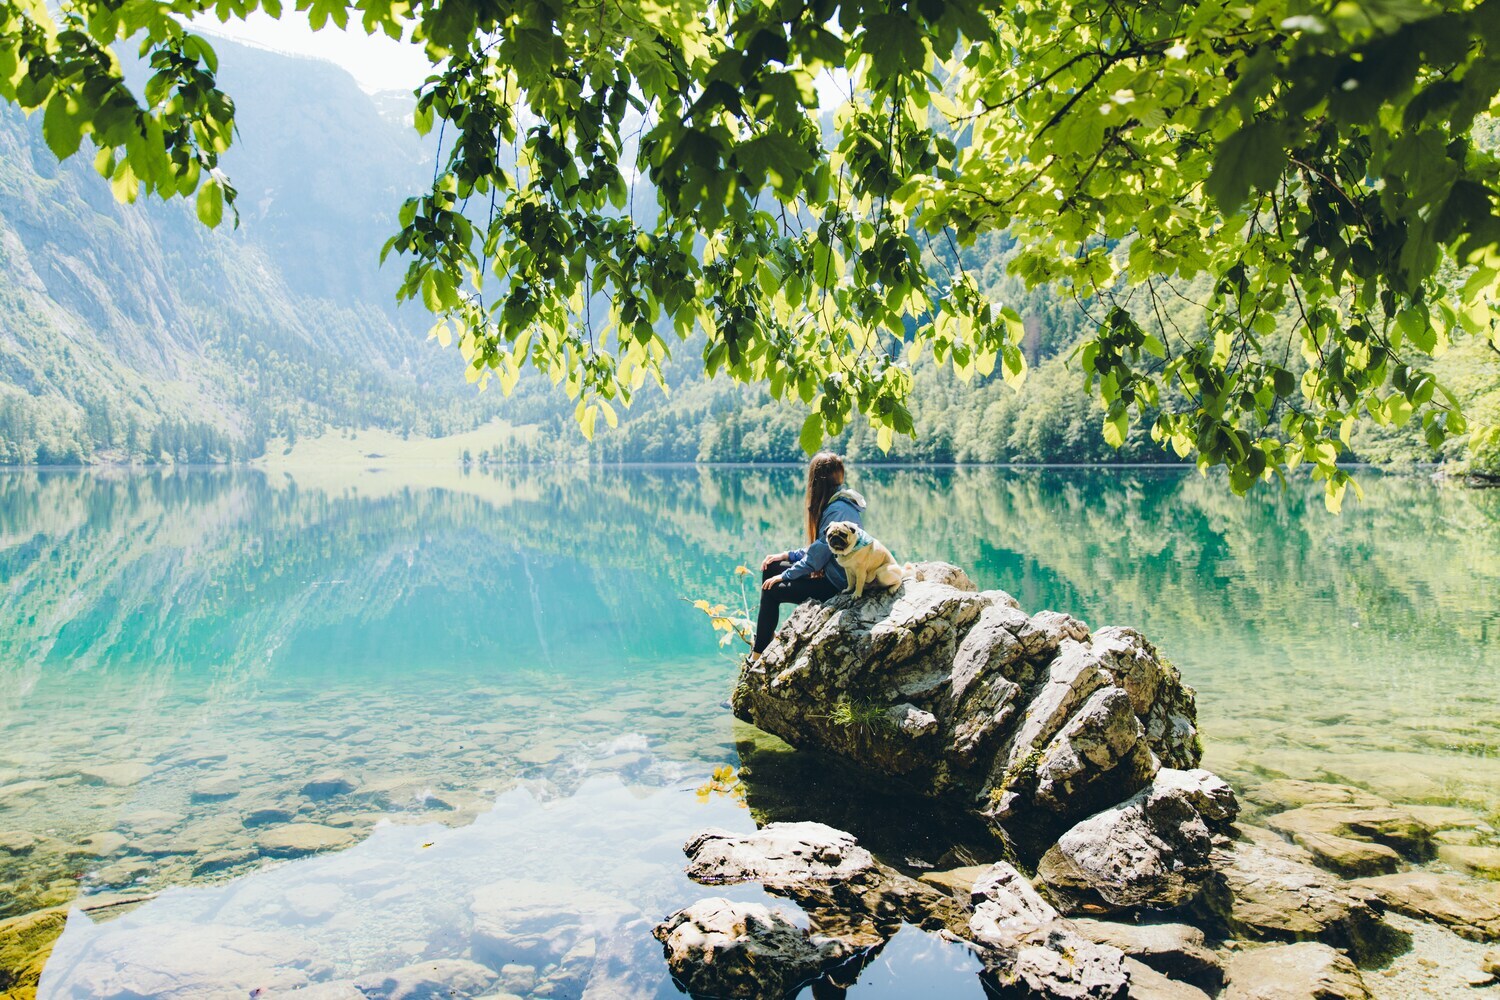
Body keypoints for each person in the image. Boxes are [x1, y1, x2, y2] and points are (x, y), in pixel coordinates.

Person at [752, 451, 867, 656]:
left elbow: (815, 559)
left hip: (838, 584)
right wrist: (786, 556)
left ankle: (758, 653)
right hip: (832, 572)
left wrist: (785, 575)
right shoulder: (838, 501)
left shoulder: (838, 510)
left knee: (771, 590)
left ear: (816, 482)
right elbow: (821, 548)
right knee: (771, 566)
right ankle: (766, 636)